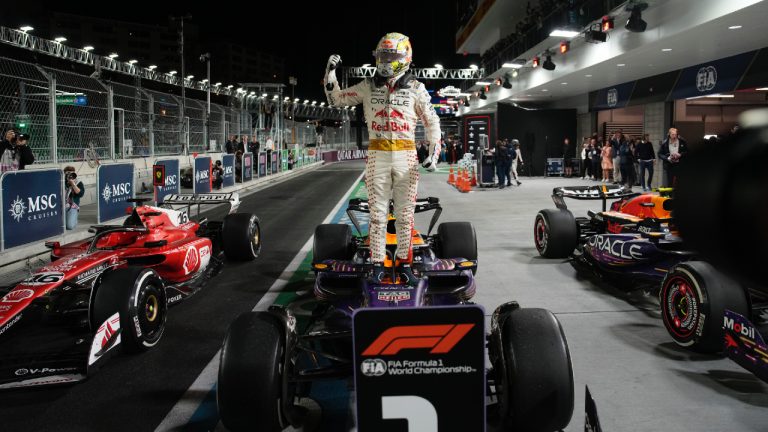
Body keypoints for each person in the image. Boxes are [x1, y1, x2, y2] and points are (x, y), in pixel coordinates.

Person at [324, 32, 441, 285]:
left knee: (405, 215)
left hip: (407, 155)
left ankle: (405, 263)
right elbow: (335, 99)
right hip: (377, 154)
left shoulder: (417, 88)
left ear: (405, 57)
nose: (386, 60)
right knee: (376, 215)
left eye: (391, 55)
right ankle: (377, 264)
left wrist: (434, 152)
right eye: (383, 55)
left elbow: (432, 122)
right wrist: (330, 73)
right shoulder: (368, 85)